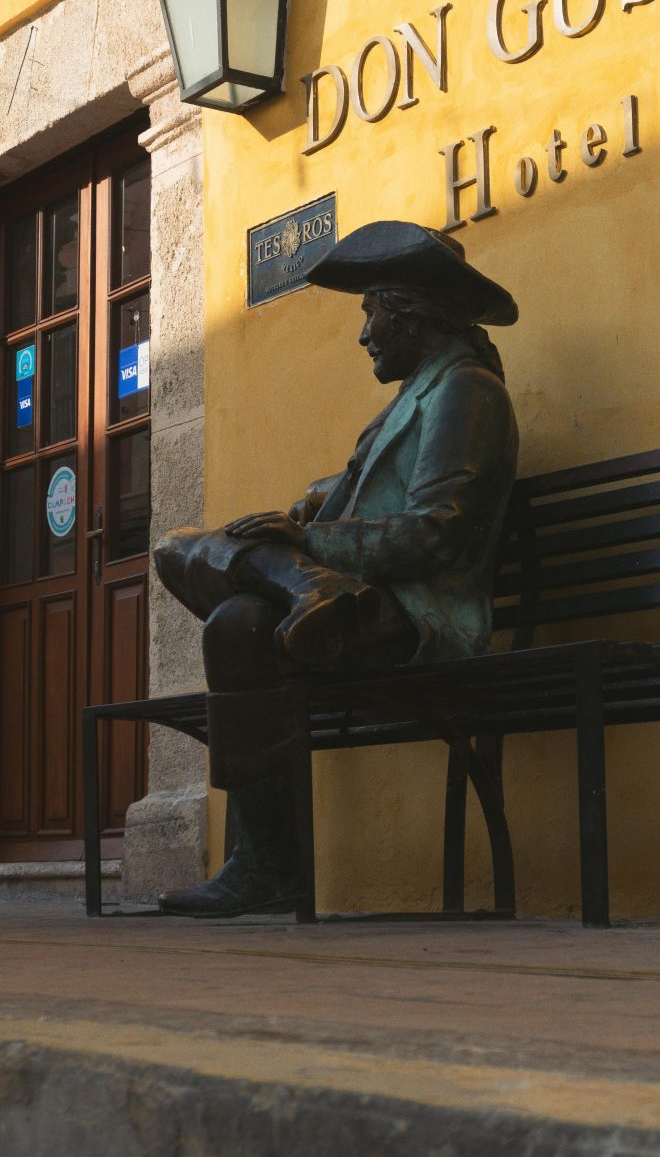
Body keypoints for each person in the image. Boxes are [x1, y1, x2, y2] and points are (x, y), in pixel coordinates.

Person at [154, 220, 519, 917]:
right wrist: (303, 515)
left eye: (371, 311)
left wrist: (312, 544)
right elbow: (358, 490)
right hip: (356, 607)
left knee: (237, 624)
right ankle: (302, 589)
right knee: (176, 548)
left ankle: (267, 868)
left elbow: (437, 534)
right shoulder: (413, 401)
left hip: (416, 619)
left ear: (409, 312)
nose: (364, 333)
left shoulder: (467, 393)